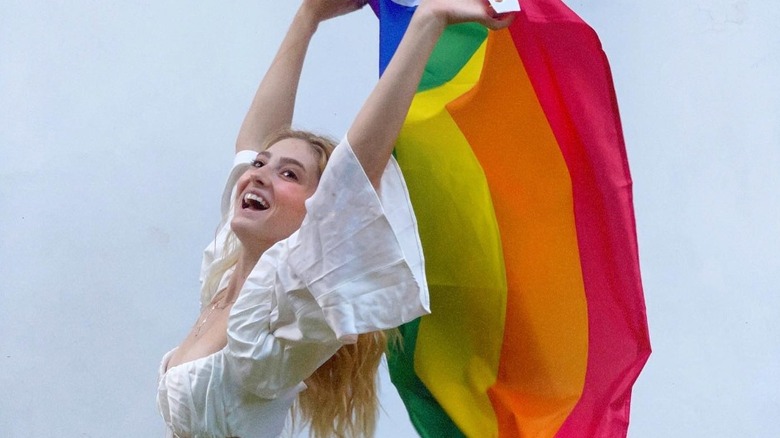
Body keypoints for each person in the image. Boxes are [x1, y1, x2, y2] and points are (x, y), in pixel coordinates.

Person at [156, 1, 515, 437]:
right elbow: (252, 147)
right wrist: (308, 17)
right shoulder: (226, 279)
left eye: (289, 174)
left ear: (319, 215)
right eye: (262, 165)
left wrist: (427, 22)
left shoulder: (287, 306)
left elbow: (353, 176)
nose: (259, 175)